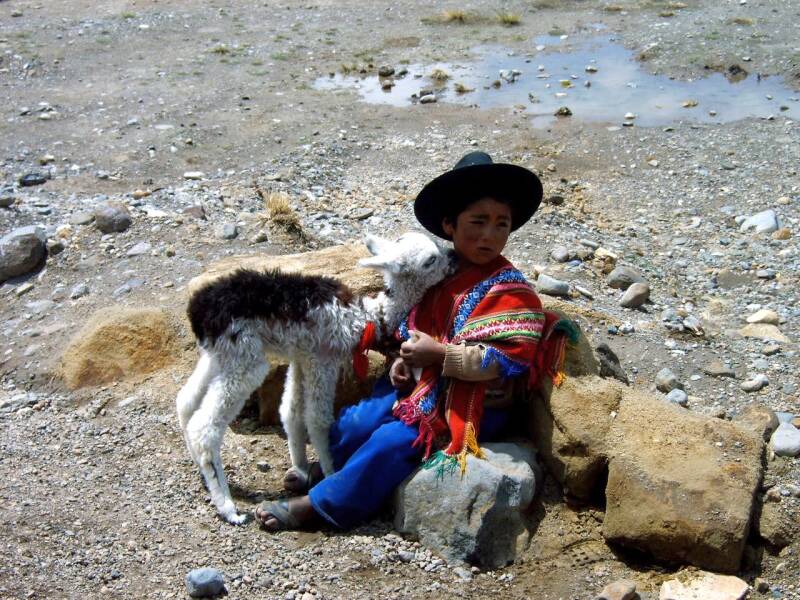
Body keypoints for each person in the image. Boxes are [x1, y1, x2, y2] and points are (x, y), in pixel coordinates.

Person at [255, 151, 572, 531]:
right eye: (478, 221)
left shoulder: (512, 292)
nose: (489, 234)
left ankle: (322, 504)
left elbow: (506, 359)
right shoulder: (434, 273)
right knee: (357, 422)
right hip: (421, 387)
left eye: (501, 224)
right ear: (449, 225)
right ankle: (331, 467)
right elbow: (411, 327)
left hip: (472, 402)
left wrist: (438, 354)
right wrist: (402, 362)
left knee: (393, 441)